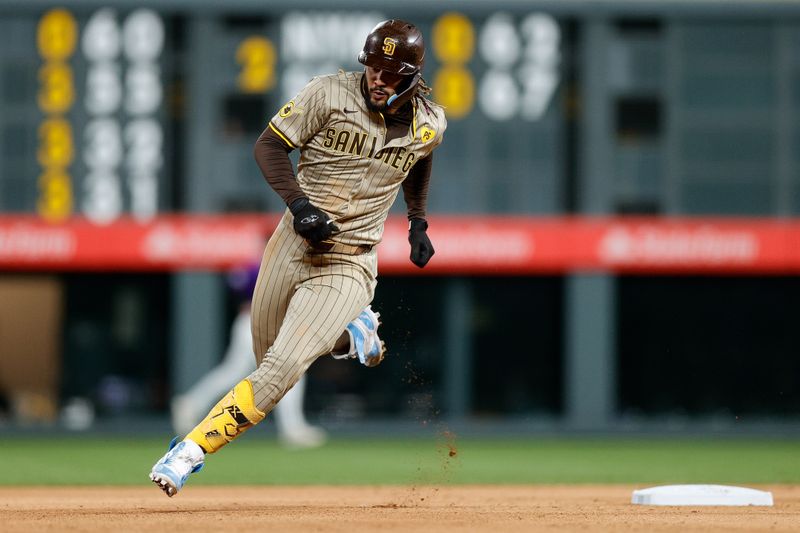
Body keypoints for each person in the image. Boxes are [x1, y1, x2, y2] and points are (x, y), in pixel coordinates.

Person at [149, 18, 447, 497]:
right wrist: (301, 206)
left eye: (390, 72)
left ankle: (188, 451)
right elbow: (268, 145)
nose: (377, 77)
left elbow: (421, 156)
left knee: (279, 371)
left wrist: (417, 220)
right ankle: (353, 331)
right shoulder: (327, 93)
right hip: (292, 243)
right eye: (372, 66)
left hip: (350, 258)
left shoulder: (430, 122)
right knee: (270, 362)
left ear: (411, 76)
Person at [169, 263, 327, 449]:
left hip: (267, 323)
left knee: (239, 372)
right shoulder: (260, 265)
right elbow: (237, 284)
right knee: (286, 371)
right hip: (255, 321)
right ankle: (292, 428)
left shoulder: (285, 264)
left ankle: (191, 403)